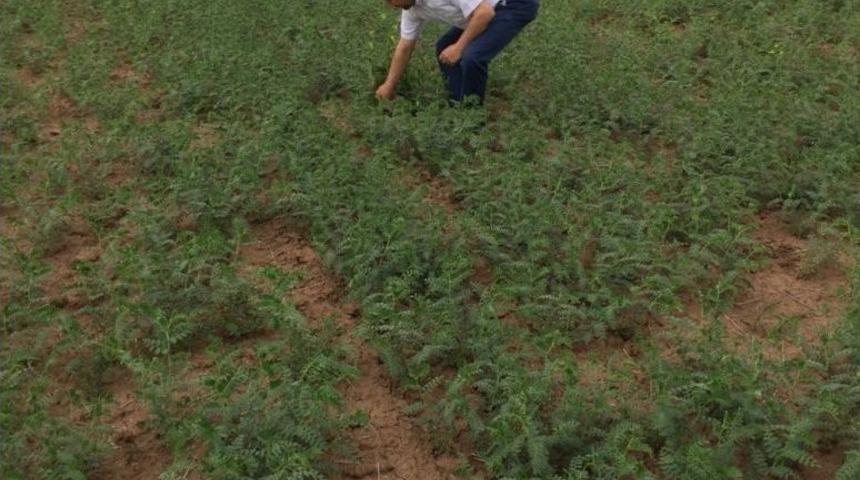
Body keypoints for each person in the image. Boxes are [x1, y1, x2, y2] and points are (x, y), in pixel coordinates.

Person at [376, 0, 539, 104]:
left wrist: (459, 47)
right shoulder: (411, 9)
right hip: (482, 12)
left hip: (512, 5)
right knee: (444, 47)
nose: (390, 4)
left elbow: (485, 13)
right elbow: (404, 47)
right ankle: (457, 104)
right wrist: (389, 84)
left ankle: (471, 119)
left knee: (472, 57)